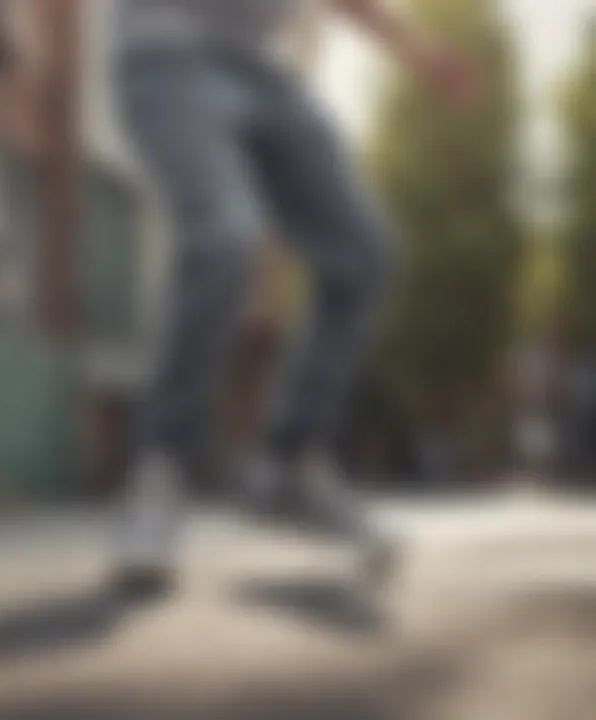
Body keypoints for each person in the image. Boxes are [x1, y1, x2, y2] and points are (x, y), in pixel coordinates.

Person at [112, 0, 477, 591]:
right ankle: (162, 468)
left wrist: (417, 51)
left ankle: (288, 469)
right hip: (165, 57)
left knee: (363, 254)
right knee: (227, 235)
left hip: (261, 73)